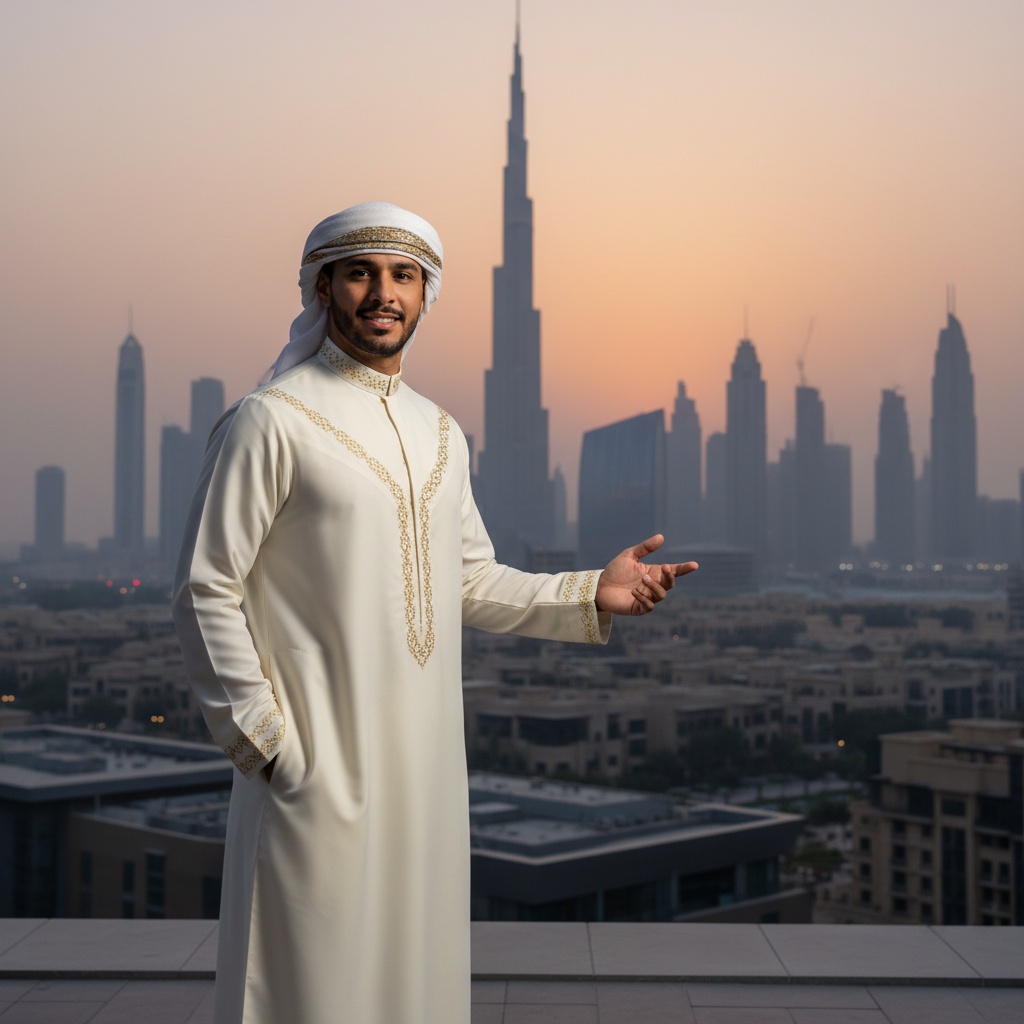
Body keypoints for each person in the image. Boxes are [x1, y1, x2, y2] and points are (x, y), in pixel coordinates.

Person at [173, 201, 697, 1024]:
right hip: (316, 762)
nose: (384, 293)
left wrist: (591, 590)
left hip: (425, 771)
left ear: (425, 295)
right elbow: (208, 587)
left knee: (414, 980)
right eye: (361, 272)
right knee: (302, 980)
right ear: (322, 288)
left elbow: (469, 579)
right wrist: (269, 742)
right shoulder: (268, 421)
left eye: (404, 276)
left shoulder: (442, 433)